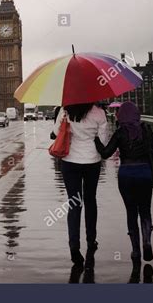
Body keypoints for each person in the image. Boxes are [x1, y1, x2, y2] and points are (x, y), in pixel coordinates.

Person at [94, 101, 153, 263]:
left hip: (126, 175)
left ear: (121, 115)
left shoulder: (120, 132)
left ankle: (136, 251)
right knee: (145, 210)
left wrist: (95, 139)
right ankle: (147, 241)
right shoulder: (145, 129)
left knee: (131, 212)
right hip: (145, 173)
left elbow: (105, 153)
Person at [53, 103, 108, 266]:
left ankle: (74, 247)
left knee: (74, 204)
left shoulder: (65, 110)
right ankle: (91, 239)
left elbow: (56, 132)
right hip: (92, 161)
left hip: (70, 161)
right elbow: (103, 140)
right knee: (90, 200)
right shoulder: (99, 112)